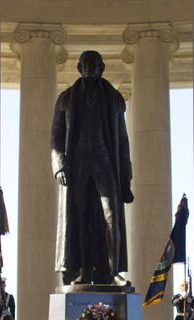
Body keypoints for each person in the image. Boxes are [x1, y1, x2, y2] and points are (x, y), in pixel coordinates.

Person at [51, 50, 134, 286]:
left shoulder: (114, 99)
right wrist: (59, 166)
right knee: (79, 217)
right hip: (76, 163)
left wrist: (126, 178)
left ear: (102, 67)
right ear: (79, 68)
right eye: (85, 63)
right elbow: (56, 135)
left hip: (105, 160)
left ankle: (112, 271)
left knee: (112, 215)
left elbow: (122, 139)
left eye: (94, 63)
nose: (90, 67)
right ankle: (83, 271)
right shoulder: (66, 98)